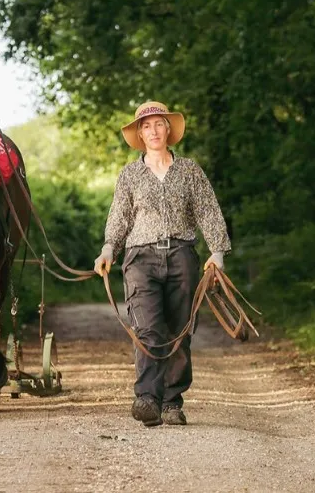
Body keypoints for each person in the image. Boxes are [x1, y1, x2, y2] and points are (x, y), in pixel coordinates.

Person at [93, 101, 231, 427]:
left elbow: (208, 211)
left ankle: (172, 401)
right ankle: (147, 398)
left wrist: (218, 251)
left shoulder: (190, 171)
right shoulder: (129, 175)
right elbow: (119, 217)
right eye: (146, 126)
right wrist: (109, 248)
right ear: (139, 134)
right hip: (140, 257)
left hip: (182, 254)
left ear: (168, 130)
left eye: (159, 124)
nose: (153, 131)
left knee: (180, 330)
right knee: (148, 329)